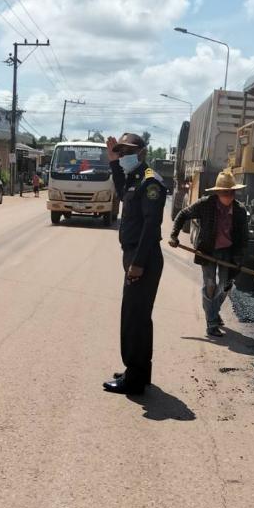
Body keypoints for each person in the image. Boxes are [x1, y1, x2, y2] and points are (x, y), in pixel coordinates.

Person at [104, 132, 167, 395]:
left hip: (144, 257)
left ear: (141, 153)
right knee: (139, 316)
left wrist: (138, 263)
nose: (123, 156)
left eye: (127, 152)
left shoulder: (150, 182)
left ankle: (134, 379)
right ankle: (139, 372)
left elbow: (151, 226)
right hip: (134, 255)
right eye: (120, 152)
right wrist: (112, 162)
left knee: (134, 317)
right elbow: (122, 191)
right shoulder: (134, 179)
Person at [169, 169, 247, 338]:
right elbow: (183, 214)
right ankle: (211, 323)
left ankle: (213, 311)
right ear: (218, 193)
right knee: (210, 285)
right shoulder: (205, 204)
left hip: (228, 252)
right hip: (208, 251)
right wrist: (174, 235)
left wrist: (239, 258)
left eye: (231, 192)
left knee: (225, 286)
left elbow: (243, 237)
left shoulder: (240, 211)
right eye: (225, 192)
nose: (228, 196)